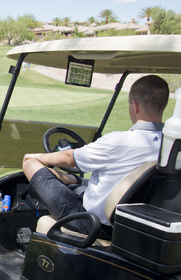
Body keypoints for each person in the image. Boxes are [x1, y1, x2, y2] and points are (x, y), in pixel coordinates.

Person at [22, 75, 170, 238]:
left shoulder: (118, 141)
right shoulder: (172, 146)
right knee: (72, 179)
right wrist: (75, 178)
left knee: (30, 163)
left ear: (135, 106)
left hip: (91, 222)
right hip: (131, 223)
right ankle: (74, 180)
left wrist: (37, 156)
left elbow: (70, 158)